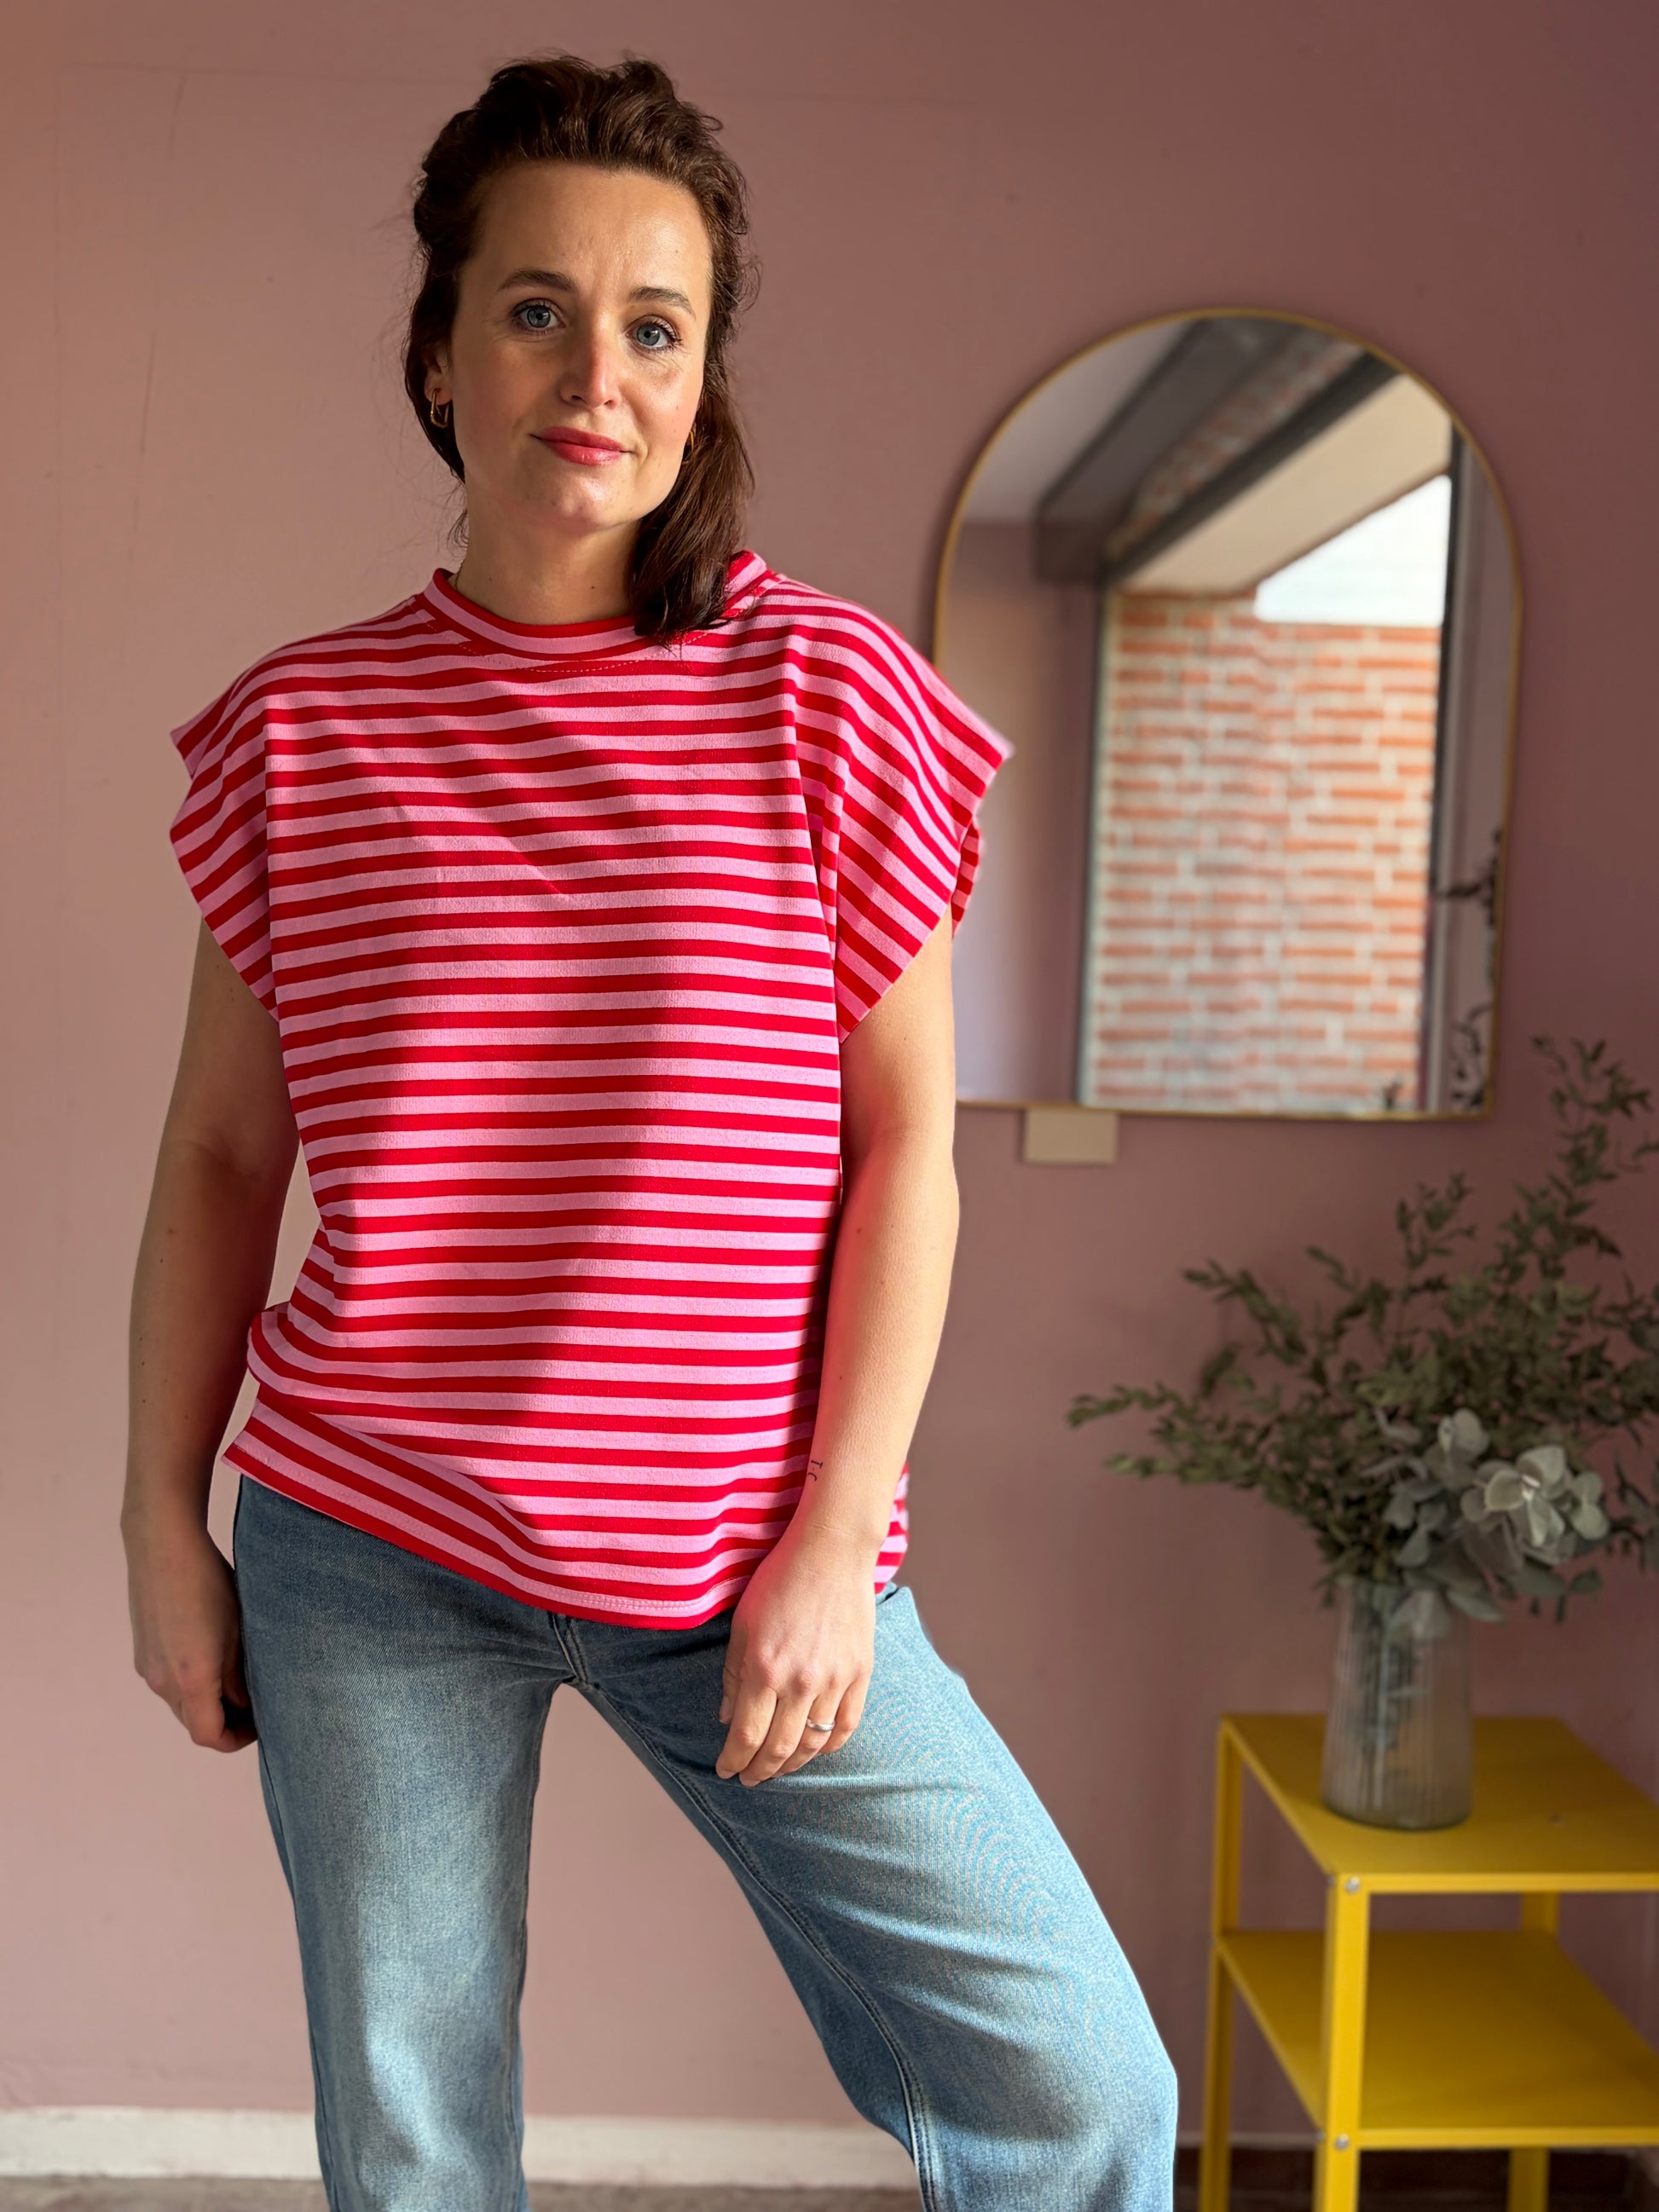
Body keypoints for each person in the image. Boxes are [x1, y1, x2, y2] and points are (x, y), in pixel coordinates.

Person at [121, 51, 1177, 2212]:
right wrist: (158, 1513)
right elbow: (227, 1155)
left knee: (1081, 2080)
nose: (594, 372)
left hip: (741, 1543)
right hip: (371, 1540)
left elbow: (905, 1152)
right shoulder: (304, 734)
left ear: (700, 377)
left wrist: (835, 1539)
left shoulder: (830, 699)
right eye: (536, 308)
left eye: (654, 324)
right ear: (440, 351)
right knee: (415, 2154)